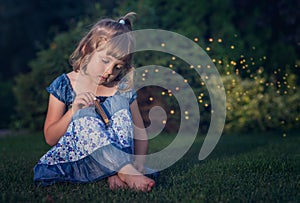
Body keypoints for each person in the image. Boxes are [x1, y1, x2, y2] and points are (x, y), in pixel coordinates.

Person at [33, 12, 156, 192]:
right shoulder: (65, 84)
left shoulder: (122, 89)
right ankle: (122, 171)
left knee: (120, 106)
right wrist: (73, 111)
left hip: (122, 154)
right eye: (105, 60)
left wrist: (139, 163)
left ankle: (118, 171)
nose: (109, 71)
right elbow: (50, 137)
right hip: (81, 160)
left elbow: (140, 133)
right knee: (85, 112)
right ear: (87, 50)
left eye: (118, 67)